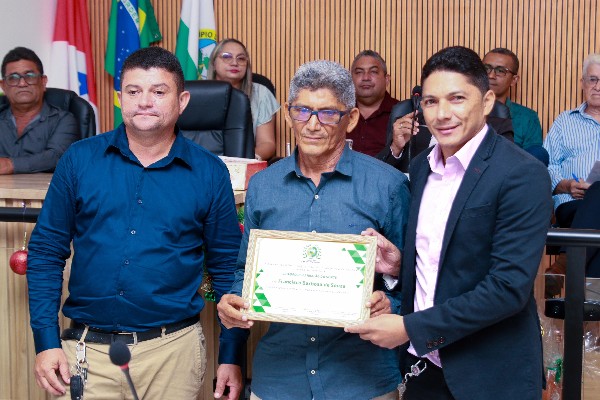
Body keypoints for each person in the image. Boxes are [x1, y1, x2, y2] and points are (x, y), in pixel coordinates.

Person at [27, 47, 244, 400]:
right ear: (119, 98)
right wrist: (46, 342)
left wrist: (231, 355)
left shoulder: (209, 172)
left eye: (158, 91)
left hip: (173, 355)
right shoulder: (79, 160)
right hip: (85, 355)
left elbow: (227, 268)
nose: (144, 101)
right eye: (133, 91)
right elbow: (46, 253)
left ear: (182, 101)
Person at [346, 46, 552, 400]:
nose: (442, 114)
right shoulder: (422, 167)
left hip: (489, 375)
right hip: (426, 367)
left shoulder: (521, 174)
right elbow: (445, 262)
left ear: (487, 102)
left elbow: (507, 288)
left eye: (457, 99)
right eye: (430, 102)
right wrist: (399, 266)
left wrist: (410, 328)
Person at [217, 60, 410, 399]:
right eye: (302, 111)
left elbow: (416, 278)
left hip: (360, 379)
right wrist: (232, 312)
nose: (312, 124)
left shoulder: (388, 185)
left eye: (328, 113)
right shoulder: (263, 185)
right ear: (288, 113)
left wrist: (391, 302)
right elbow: (243, 272)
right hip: (280, 378)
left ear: (351, 118)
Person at [544, 53, 600, 277]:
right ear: (583, 83)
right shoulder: (565, 121)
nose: (598, 87)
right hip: (572, 205)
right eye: (593, 79)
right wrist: (566, 185)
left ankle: (564, 264)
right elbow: (547, 165)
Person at [0, 46, 79, 174]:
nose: (22, 83)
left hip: (46, 188)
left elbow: (57, 157)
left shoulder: (63, 120)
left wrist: (10, 165)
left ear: (43, 82)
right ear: (3, 86)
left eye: (30, 76)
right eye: (13, 78)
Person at [207, 38, 279, 161]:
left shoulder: (261, 94)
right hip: (206, 164)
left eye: (241, 58)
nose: (234, 63)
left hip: (245, 164)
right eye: (227, 57)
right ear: (214, 63)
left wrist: (246, 161)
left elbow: (267, 143)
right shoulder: (199, 94)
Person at [482, 47, 548, 165]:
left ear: (514, 80)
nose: (491, 75)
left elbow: (533, 163)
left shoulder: (527, 117)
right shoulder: (465, 110)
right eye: (486, 68)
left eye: (500, 71)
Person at [347, 50, 399, 157]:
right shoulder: (340, 113)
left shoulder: (402, 113)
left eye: (373, 72)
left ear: (387, 80)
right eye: (359, 72)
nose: (366, 78)